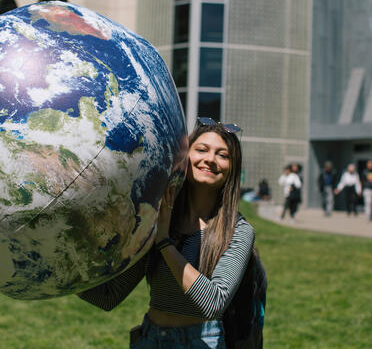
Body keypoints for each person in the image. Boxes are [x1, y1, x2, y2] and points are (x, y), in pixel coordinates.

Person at [78, 119, 261, 348]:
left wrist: (165, 243)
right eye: (201, 150)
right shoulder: (159, 217)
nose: (210, 159)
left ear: (233, 167)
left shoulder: (238, 231)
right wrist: (64, 267)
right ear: (185, 156)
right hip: (150, 338)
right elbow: (108, 296)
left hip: (202, 342)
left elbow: (213, 303)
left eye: (222, 155)